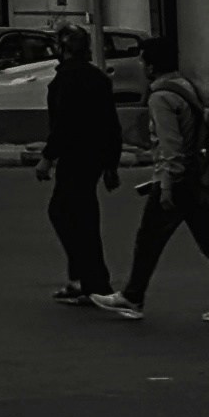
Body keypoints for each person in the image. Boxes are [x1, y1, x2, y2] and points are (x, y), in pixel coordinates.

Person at [110, 62, 209, 323]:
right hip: (195, 176)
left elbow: (171, 146)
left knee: (149, 239)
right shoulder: (187, 86)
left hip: (177, 179)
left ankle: (132, 297)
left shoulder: (161, 97)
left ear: (150, 65)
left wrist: (166, 186)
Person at [39, 24, 120, 304]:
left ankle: (91, 282)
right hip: (94, 158)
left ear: (63, 49)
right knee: (81, 216)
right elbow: (111, 124)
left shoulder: (66, 80)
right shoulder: (97, 78)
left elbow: (64, 124)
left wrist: (47, 158)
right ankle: (85, 279)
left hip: (75, 156)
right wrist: (111, 164)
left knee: (65, 214)